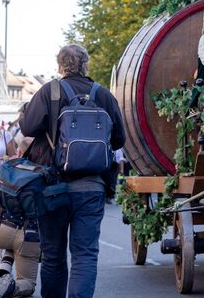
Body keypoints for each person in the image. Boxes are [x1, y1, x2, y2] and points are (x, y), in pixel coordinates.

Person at [20, 44, 126, 298]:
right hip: (91, 186)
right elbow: (119, 139)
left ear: (59, 66)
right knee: (85, 255)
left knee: (54, 255)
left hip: (52, 188)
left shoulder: (49, 91)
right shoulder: (102, 95)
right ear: (86, 65)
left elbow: (28, 128)